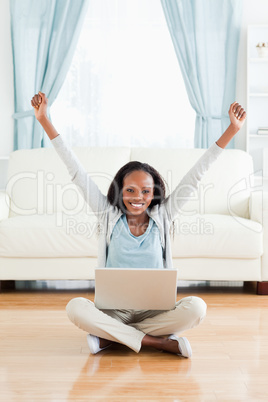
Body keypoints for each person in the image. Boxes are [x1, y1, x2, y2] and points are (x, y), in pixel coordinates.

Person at [31, 92, 246, 358]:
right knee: (76, 307)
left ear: (153, 193)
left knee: (197, 308)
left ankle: (112, 338)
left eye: (145, 191)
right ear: (120, 191)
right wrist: (44, 120)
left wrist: (232, 130)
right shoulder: (107, 215)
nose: (138, 198)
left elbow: (198, 173)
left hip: (155, 310)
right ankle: (157, 342)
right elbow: (75, 171)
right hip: (115, 311)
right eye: (130, 190)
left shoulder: (165, 215)